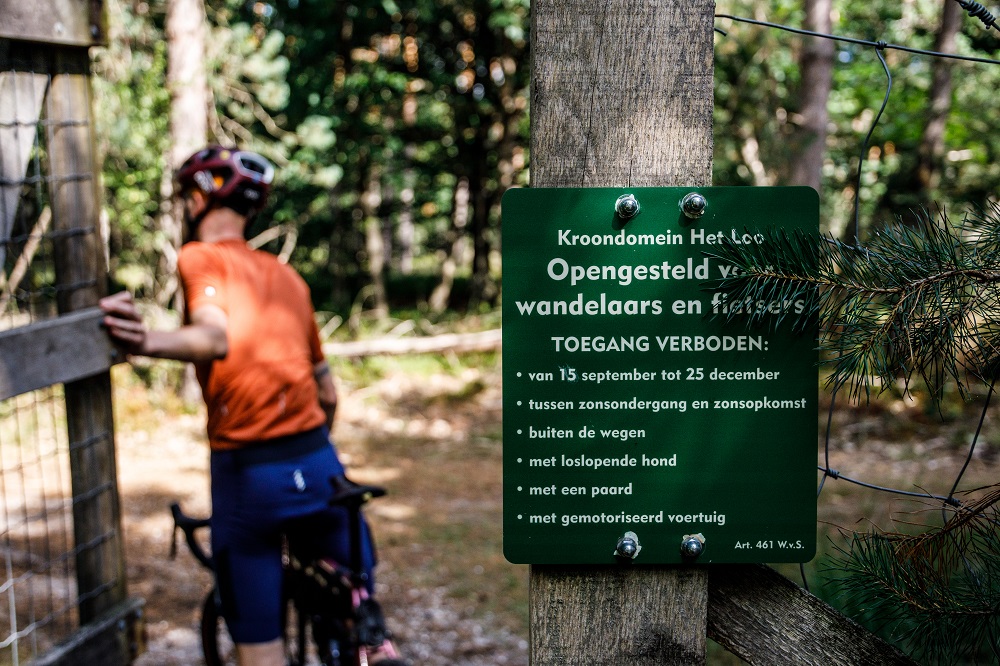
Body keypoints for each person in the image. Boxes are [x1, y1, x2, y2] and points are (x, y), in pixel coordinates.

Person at [100, 147, 385, 666]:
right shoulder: (288, 278)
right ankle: (372, 644)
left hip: (249, 472)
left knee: (260, 645)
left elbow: (212, 337)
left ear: (200, 197)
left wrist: (145, 341)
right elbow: (326, 394)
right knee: (356, 610)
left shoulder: (199, 257)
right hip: (321, 467)